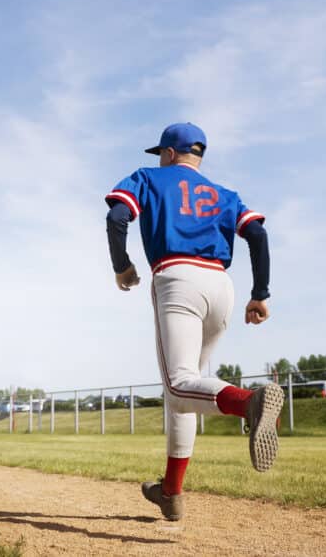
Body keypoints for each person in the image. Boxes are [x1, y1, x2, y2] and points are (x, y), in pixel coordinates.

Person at [104, 122, 283, 522]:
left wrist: (122, 266)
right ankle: (170, 492)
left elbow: (118, 217)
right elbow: (257, 235)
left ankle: (249, 403)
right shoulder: (225, 194)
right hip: (222, 286)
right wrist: (261, 294)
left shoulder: (150, 177)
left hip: (178, 277)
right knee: (185, 391)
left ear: (168, 153)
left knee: (180, 383)